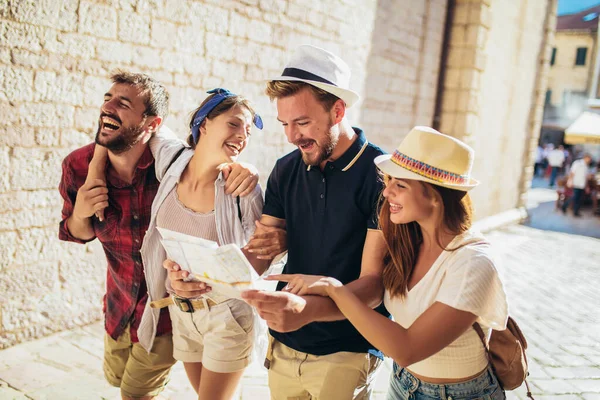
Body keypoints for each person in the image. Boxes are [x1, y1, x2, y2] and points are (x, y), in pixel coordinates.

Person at [58, 72, 260, 400]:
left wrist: (247, 168)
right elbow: (77, 234)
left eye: (123, 104)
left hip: (170, 313)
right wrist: (83, 206)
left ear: (152, 124)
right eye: (107, 99)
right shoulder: (79, 166)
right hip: (120, 306)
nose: (108, 107)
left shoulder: (169, 164)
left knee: (135, 393)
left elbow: (208, 162)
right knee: (117, 379)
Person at [271, 127, 509, 400]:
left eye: (400, 185)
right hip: (402, 384)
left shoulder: (474, 263)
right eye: (388, 182)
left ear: (434, 195)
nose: (386, 193)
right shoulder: (407, 242)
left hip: (460, 394)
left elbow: (408, 349)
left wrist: (333, 288)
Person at [238, 45, 390, 399]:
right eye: (285, 124)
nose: (292, 136)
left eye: (302, 122)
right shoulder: (286, 168)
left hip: (348, 347)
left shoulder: (382, 175)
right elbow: (260, 253)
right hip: (286, 343)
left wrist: (306, 310)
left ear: (337, 110)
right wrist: (207, 276)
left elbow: (373, 286)